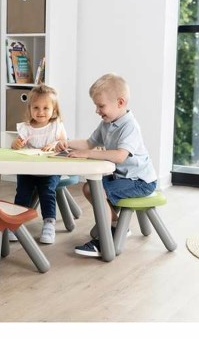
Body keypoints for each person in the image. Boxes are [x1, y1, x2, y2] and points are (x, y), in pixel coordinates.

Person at [55, 73, 157, 257]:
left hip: (140, 181)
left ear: (120, 102)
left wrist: (88, 154)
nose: (97, 110)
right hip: (123, 178)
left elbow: (119, 156)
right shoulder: (106, 124)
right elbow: (88, 143)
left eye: (101, 106)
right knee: (89, 188)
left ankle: (106, 238)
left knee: (98, 190)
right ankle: (116, 225)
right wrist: (66, 142)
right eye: (96, 105)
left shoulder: (130, 126)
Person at [10, 84, 67, 244]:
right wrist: (16, 144)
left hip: (50, 170)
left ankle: (49, 223)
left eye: (45, 108)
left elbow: (64, 143)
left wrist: (55, 144)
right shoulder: (26, 128)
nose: (40, 112)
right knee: (22, 193)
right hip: (28, 170)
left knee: (47, 192)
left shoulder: (56, 126)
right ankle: (16, 223)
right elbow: (15, 146)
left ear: (54, 110)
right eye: (36, 107)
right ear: (29, 108)